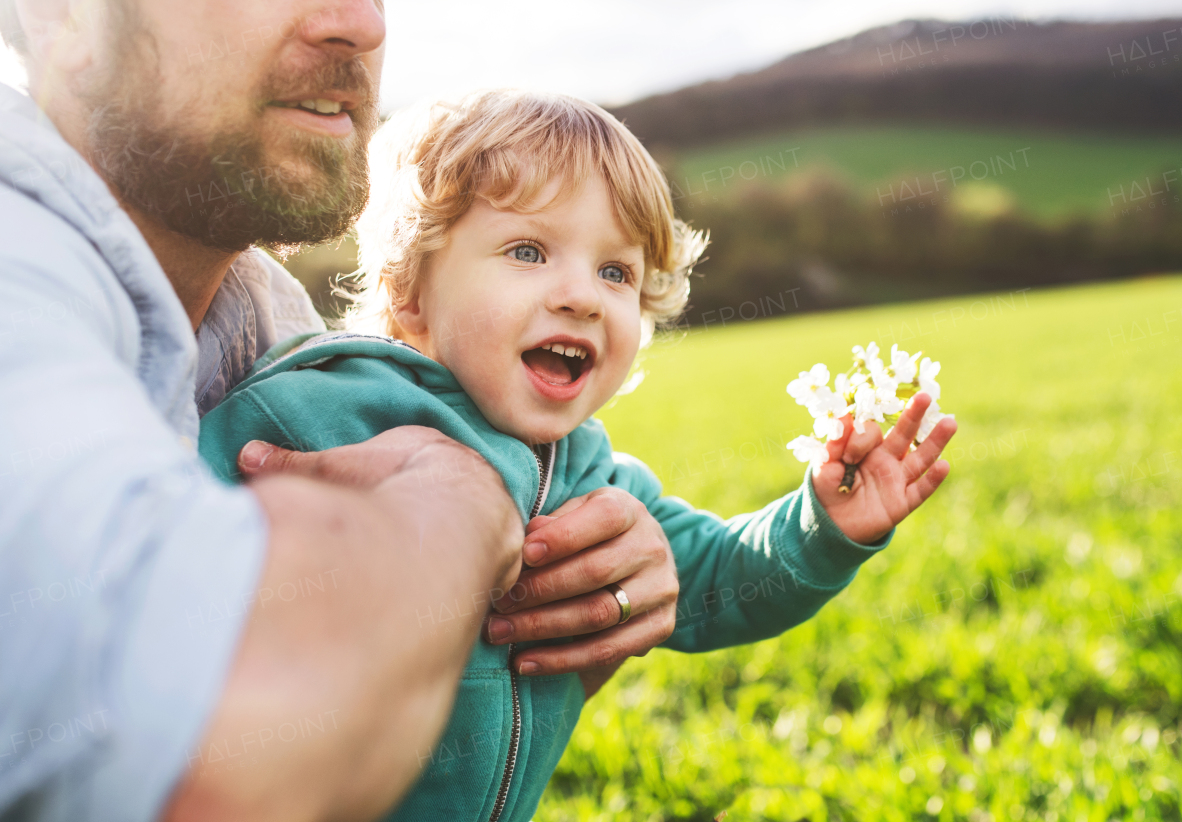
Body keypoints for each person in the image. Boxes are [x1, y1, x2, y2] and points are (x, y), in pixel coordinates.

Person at [197, 90, 957, 822]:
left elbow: (723, 581)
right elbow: (164, 536)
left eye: (615, 271)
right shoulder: (325, 406)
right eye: (528, 251)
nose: (582, 297)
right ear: (411, 294)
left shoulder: (593, 482)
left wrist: (824, 525)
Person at [0, 3, 681, 820]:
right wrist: (457, 505)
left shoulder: (270, 322)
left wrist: (573, 602)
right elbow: (214, 756)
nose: (360, 22)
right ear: (59, 13)